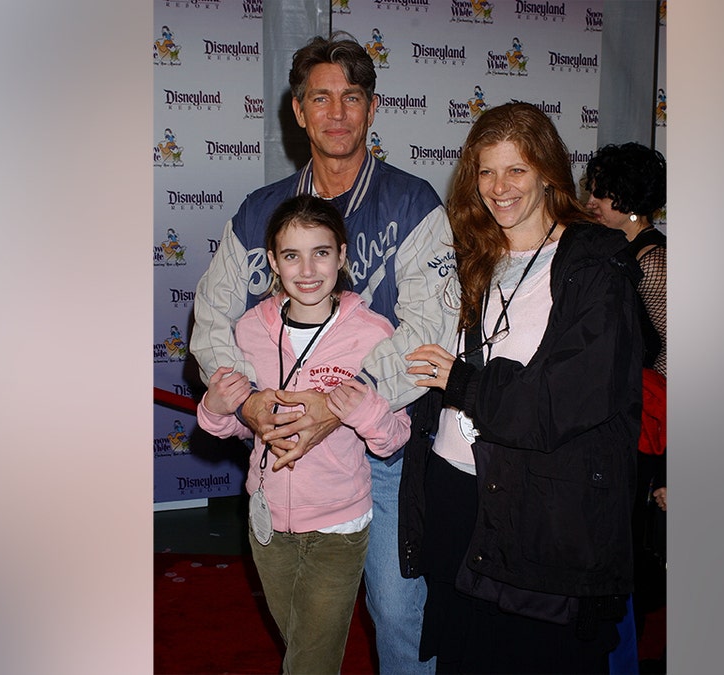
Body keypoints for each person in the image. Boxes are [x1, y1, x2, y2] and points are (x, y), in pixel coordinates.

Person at [190, 32, 455, 673]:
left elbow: (430, 333)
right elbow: (211, 318)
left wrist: (335, 406)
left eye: (352, 97)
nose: (338, 113)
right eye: (322, 98)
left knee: (396, 612)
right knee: (307, 623)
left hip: (385, 446)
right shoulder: (260, 213)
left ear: (371, 108)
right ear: (299, 111)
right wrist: (251, 401)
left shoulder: (414, 202)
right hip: (287, 457)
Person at [401, 102, 644, 673]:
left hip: (541, 511)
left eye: (517, 170)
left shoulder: (595, 266)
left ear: (548, 174)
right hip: (456, 497)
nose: (499, 187)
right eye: (486, 170)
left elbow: (563, 399)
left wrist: (463, 381)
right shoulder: (470, 256)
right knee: (462, 657)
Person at [197, 195, 411, 674]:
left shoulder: (372, 333)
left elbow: (394, 437)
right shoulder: (250, 329)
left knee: (311, 659)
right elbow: (235, 427)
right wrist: (214, 408)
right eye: (292, 255)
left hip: (339, 526)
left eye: (321, 252)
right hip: (266, 524)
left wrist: (368, 409)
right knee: (302, 646)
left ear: (342, 256)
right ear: (273, 261)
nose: (308, 269)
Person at [583, 141, 668, 673]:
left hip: (647, 429)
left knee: (626, 555)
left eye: (601, 191)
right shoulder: (615, 249)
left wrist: (645, 399)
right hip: (622, 421)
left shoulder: (652, 257)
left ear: (628, 198)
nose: (591, 199)